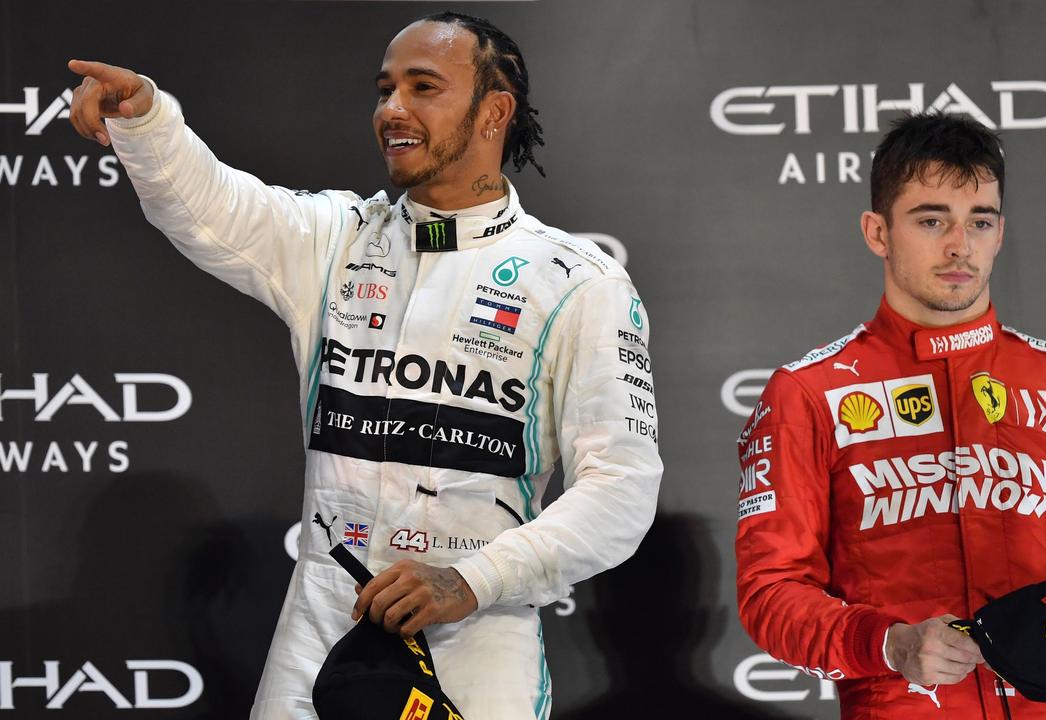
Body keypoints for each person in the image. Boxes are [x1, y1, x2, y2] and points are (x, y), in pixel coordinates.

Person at [67, 11, 661, 720]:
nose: (392, 110)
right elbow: (211, 208)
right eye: (384, 89)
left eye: (423, 87)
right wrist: (147, 120)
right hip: (321, 622)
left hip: (474, 640)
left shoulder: (579, 282)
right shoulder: (336, 239)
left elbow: (621, 488)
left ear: (493, 111)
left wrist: (470, 579)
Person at [734, 113, 1046, 719]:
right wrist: (888, 644)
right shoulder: (807, 394)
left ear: (1000, 233)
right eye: (931, 220)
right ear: (877, 232)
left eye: (979, 221)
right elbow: (771, 594)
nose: (960, 245)